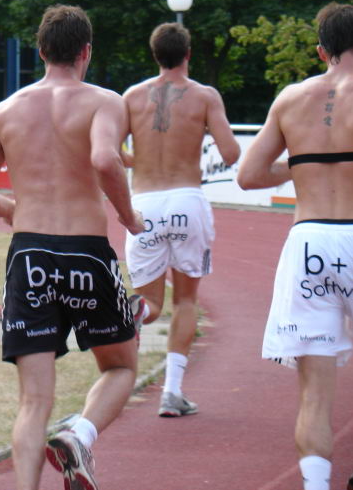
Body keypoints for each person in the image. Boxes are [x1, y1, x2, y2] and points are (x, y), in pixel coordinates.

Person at [0, 4, 144, 490]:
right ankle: (80, 435)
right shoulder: (104, 102)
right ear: (86, 52)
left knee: (33, 402)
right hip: (86, 249)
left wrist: (11, 210)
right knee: (121, 366)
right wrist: (128, 216)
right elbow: (104, 159)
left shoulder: (6, 110)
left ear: (41, 51)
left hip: (31, 255)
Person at [237, 2, 353, 490]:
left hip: (308, 243)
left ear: (322, 50)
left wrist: (306, 163)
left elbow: (249, 176)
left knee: (314, 392)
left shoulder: (291, 98)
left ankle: (315, 485)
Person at [122, 22, 240, 417]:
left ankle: (136, 317)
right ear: (187, 54)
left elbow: (106, 148)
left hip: (144, 203)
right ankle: (172, 392)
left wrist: (136, 159)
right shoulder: (205, 96)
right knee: (186, 299)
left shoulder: (132, 96)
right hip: (187, 198)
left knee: (152, 303)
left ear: (155, 54)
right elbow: (231, 152)